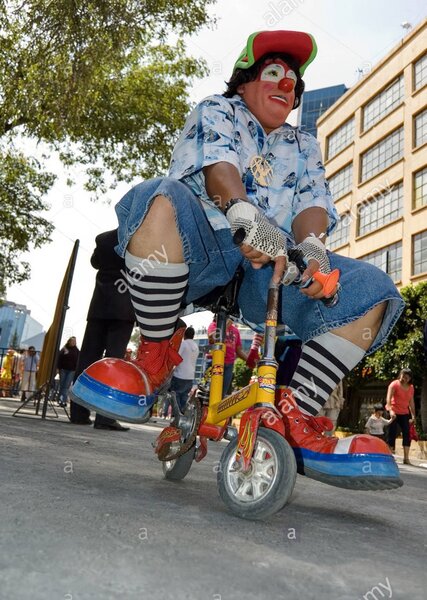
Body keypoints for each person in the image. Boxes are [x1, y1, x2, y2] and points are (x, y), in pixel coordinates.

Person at [74, 30, 405, 489]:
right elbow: (219, 169)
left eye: (293, 80)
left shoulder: (304, 144)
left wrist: (310, 248)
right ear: (245, 81)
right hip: (199, 253)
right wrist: (244, 215)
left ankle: (298, 414)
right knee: (158, 196)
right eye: (273, 73)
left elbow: (313, 202)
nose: (286, 84)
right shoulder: (218, 110)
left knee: (373, 288)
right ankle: (153, 356)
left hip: (269, 273)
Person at [70, 229, 134, 431]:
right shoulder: (137, 237)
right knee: (113, 363)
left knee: (87, 358)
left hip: (99, 305)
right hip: (123, 309)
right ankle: (104, 418)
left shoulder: (103, 238)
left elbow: (95, 263)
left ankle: (78, 413)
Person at [208, 319, 248, 397]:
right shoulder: (214, 325)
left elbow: (238, 350)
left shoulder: (236, 330)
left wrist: (250, 360)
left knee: (222, 394)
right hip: (214, 362)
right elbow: (211, 339)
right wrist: (225, 326)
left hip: (229, 365)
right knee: (211, 392)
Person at [386, 368, 416, 464]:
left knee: (407, 434)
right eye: (403, 376)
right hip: (393, 412)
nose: (405, 379)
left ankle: (406, 458)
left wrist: (413, 416)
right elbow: (388, 399)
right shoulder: (394, 384)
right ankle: (390, 456)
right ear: (400, 375)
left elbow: (411, 402)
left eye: (407, 377)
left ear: (410, 378)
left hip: (404, 413)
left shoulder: (411, 387)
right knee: (392, 433)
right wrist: (390, 411)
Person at [168, 326, 199, 411]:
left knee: (175, 395)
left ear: (184, 335)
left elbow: (176, 357)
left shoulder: (183, 344)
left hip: (180, 375)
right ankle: (182, 416)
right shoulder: (196, 346)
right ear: (193, 335)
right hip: (190, 377)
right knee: (184, 397)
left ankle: (177, 417)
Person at [57, 337, 80, 407]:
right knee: (62, 385)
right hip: (63, 369)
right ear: (69, 341)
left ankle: (63, 401)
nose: (73, 342)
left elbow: (78, 361)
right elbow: (59, 359)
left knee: (66, 386)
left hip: (71, 371)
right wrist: (58, 368)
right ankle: (60, 399)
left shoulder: (77, 351)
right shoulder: (64, 349)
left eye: (74, 341)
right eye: (72, 341)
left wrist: (76, 370)